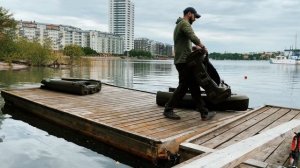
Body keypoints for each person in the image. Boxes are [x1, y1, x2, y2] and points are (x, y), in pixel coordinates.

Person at [164, 7, 230, 121]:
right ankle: (168, 109)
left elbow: (183, 44)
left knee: (193, 86)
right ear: (189, 14)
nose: (195, 19)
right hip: (184, 62)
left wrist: (194, 47)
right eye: (195, 16)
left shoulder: (179, 25)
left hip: (182, 61)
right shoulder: (184, 23)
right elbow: (192, 36)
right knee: (184, 86)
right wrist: (202, 46)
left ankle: (204, 113)